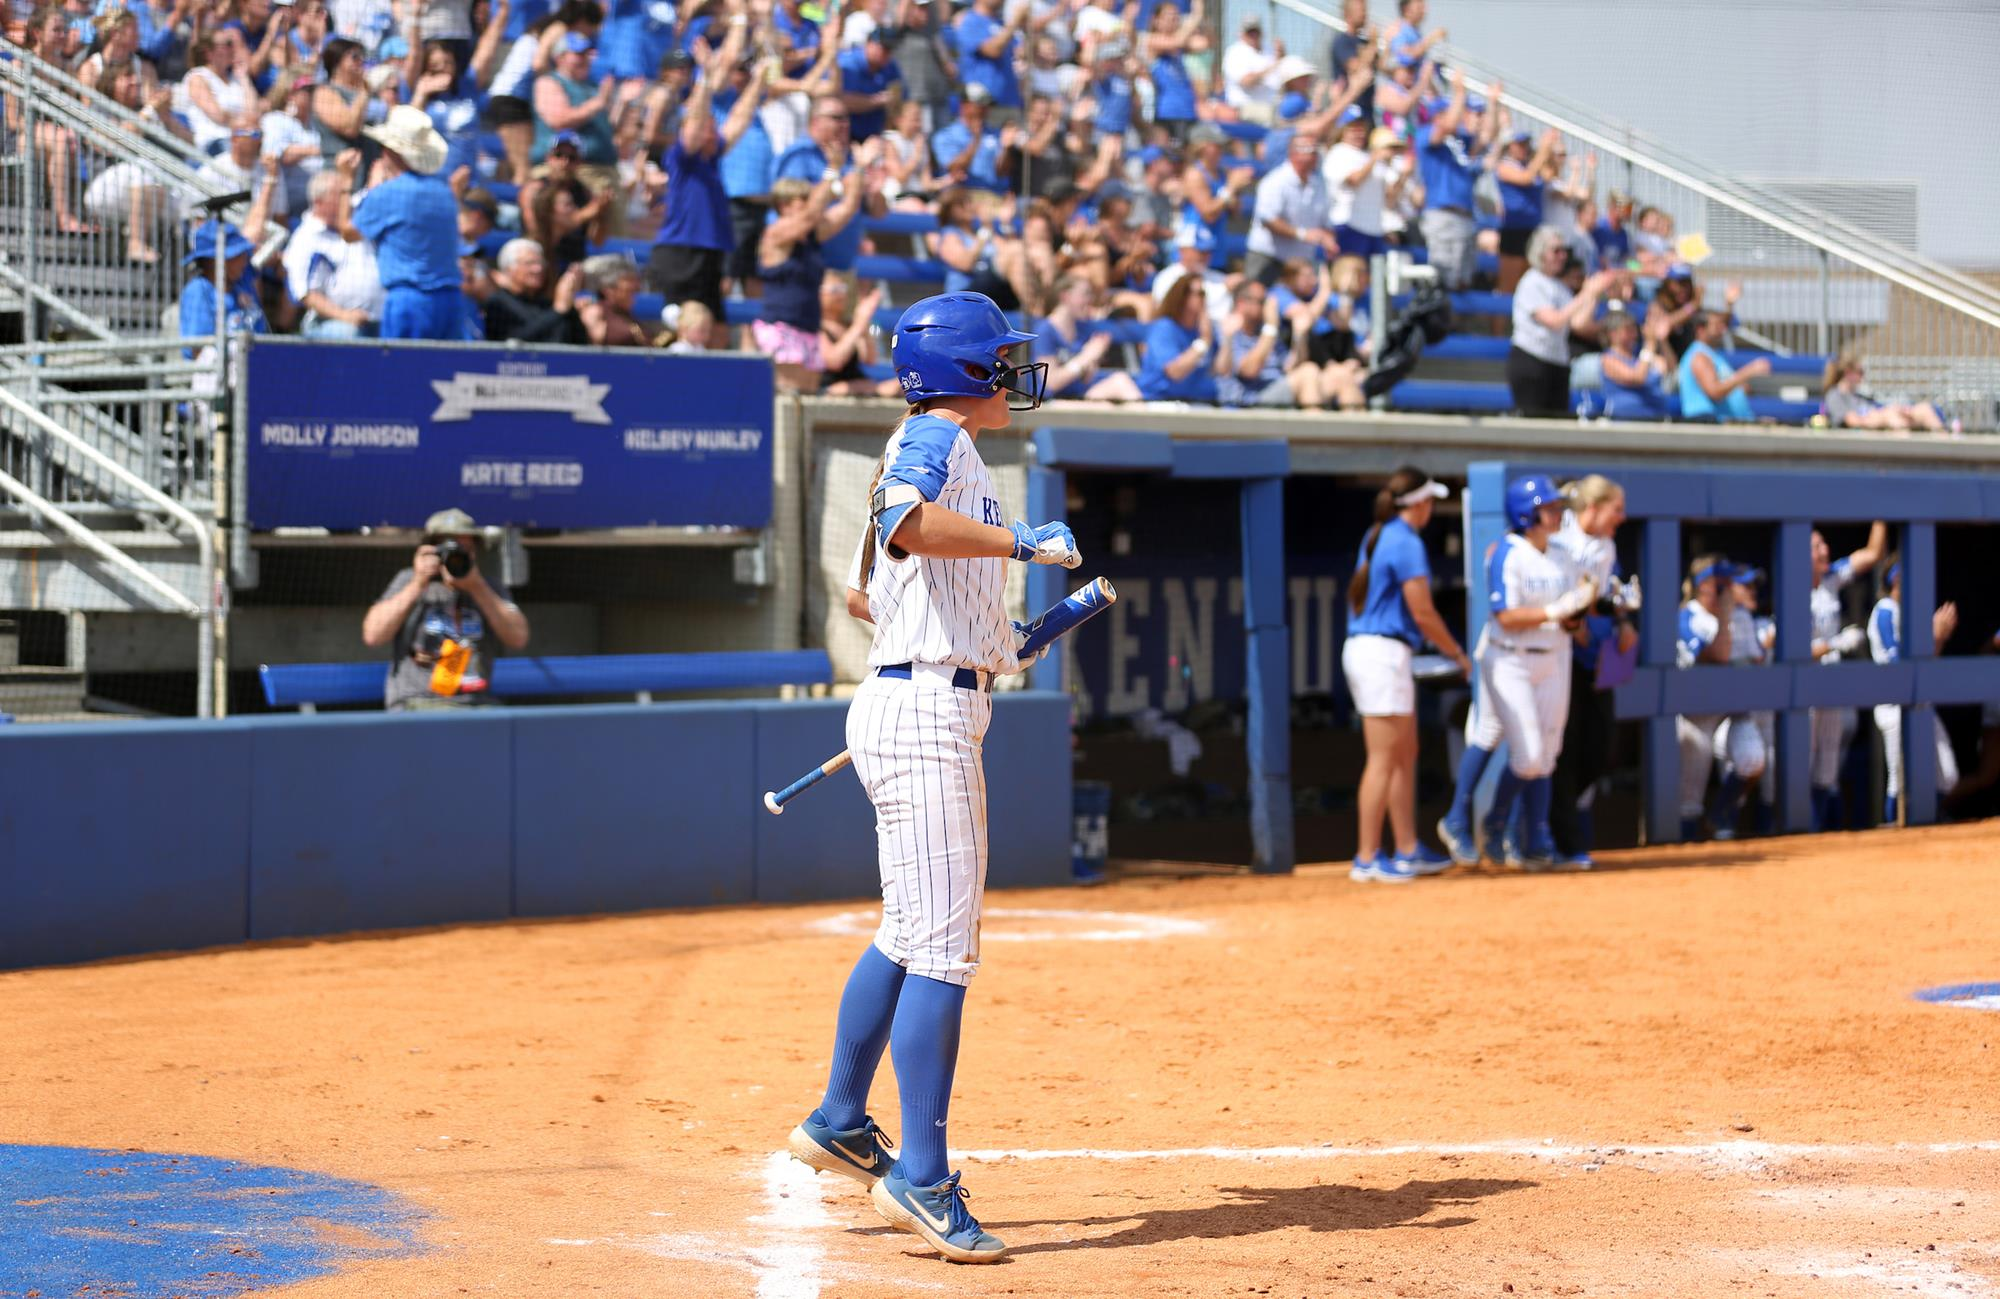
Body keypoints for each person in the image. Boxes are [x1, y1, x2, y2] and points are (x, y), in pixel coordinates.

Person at [786, 291, 1072, 1266]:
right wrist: (1022, 543)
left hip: (920, 696)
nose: (1013, 372)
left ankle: (838, 1118)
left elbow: (873, 582)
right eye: (999, 358)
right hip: (923, 712)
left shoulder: (942, 442)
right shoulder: (935, 440)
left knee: (909, 937)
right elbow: (904, 523)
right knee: (942, 950)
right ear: (963, 373)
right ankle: (921, 1174)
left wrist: (996, 630)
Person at [1436, 474, 1598, 871]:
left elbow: (1574, 616)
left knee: (1546, 753)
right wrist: (1557, 611)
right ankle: (1489, 822)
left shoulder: (1562, 553)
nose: (1558, 513)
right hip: (1509, 657)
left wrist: (1578, 615)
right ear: (1528, 515)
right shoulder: (1507, 552)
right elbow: (1505, 615)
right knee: (1524, 755)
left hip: (1553, 655)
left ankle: (1536, 838)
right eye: (1549, 507)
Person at [1343, 467, 1469, 881]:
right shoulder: (1405, 541)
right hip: (1381, 654)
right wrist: (1457, 654)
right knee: (1382, 758)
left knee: (1405, 752)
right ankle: (1366, 856)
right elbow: (1422, 611)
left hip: (1379, 652)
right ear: (1417, 505)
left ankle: (1408, 847)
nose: (1432, 507)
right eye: (1429, 500)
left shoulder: (1379, 534)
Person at [1545, 475, 1636, 866]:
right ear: (1593, 508)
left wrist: (1622, 622)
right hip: (1556, 651)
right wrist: (1574, 624)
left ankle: (1558, 825)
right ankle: (1563, 841)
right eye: (1616, 509)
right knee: (1565, 750)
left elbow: (1598, 597)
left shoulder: (1605, 546)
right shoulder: (1559, 536)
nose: (1623, 517)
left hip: (1592, 656)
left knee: (1600, 748)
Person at [648, 21, 765, 320]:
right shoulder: (682, 157)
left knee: (713, 328)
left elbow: (739, 117)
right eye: (706, 129)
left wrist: (758, 80)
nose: (712, 132)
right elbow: (695, 123)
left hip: (710, 251)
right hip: (681, 250)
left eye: (713, 129)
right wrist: (705, 77)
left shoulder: (711, 160)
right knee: (678, 325)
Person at [360, 508, 531, 712]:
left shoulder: (487, 587)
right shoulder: (409, 580)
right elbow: (373, 635)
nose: (456, 557)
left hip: (474, 704)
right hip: (417, 702)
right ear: (431, 549)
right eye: (449, 549)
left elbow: (518, 638)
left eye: (465, 549)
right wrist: (418, 583)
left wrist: (476, 587)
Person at [333, 106, 468, 339]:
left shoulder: (388, 193)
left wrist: (346, 180)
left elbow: (348, 232)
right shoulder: (444, 192)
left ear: (389, 151)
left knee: (402, 373)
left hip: (410, 302)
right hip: (451, 301)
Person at [1667, 555, 1765, 841]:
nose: (1728, 587)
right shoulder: (1687, 616)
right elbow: (1719, 654)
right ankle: (1686, 851)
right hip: (1695, 713)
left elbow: (1756, 660)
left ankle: (1720, 816)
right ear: (1704, 585)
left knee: (1753, 759)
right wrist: (1725, 614)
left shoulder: (1741, 615)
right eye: (1721, 582)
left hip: (1733, 709)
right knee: (1689, 798)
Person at [1807, 520, 1888, 829]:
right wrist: (1835, 643)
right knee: (1803, 762)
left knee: (1828, 765)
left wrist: (1881, 513)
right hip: (1803, 684)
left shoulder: (1829, 578)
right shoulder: (1793, 587)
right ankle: (1797, 831)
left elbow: (1872, 553)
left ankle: (1823, 833)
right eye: (1816, 547)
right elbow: (1794, 649)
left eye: (1824, 544)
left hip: (1830, 681)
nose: (1825, 550)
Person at [1869, 560, 1960, 824]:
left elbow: (1926, 665)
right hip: (1894, 705)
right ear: (1896, 580)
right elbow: (1900, 667)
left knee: (1948, 776)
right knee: (1899, 780)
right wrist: (1935, 635)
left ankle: (1927, 820)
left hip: (1921, 704)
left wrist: (1938, 638)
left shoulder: (1912, 614)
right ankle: (1900, 838)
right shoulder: (1886, 611)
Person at [755, 174, 862, 392]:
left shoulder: (812, 235)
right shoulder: (775, 234)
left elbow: (848, 208)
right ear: (784, 205)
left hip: (809, 329)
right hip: (783, 328)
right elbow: (811, 214)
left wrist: (860, 168)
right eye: (804, 200)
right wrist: (833, 170)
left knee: (808, 399)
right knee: (788, 399)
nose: (813, 205)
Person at [1508, 225, 1615, 418]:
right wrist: (1586, 293)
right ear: (1540, 253)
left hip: (1557, 363)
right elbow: (1555, 321)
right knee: (1533, 427)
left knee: (1558, 428)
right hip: (1532, 361)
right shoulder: (1532, 281)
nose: (1562, 256)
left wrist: (1594, 294)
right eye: (1556, 251)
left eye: (1564, 251)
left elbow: (1578, 324)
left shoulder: (1559, 286)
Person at [1414, 71, 1498, 292]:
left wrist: (1493, 103)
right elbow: (1448, 126)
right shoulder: (1425, 135)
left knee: (1462, 282)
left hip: (1465, 218)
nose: (1456, 115)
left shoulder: (1460, 141)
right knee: (1443, 281)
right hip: (1443, 216)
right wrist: (1459, 92)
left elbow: (1487, 137)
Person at [285, 169, 384, 336]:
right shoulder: (305, 238)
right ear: (319, 202)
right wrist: (344, 316)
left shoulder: (353, 222)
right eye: (340, 195)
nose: (347, 200)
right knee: (350, 333)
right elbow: (305, 294)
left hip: (377, 319)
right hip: (329, 321)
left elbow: (365, 197)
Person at [1244, 132, 1334, 287]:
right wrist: (1303, 234)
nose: (1314, 154)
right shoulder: (1275, 181)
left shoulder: (1320, 184)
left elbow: (1325, 222)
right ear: (1293, 153)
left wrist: (1328, 238)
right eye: (1308, 149)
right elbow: (1268, 220)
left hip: (1300, 264)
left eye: (1315, 150)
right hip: (1268, 258)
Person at [1034, 274, 1143, 403]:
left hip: (1076, 398)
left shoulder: (1080, 328)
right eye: (1085, 294)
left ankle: (1150, 421)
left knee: (1120, 381)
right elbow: (1051, 383)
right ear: (1065, 296)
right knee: (1118, 385)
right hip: (1051, 403)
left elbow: (1084, 381)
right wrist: (1086, 357)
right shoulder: (1045, 331)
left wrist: (1094, 359)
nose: (1090, 300)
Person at [178, 220, 270, 355]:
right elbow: (199, 351)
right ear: (213, 260)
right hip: (221, 372)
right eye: (237, 255)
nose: (244, 260)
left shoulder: (241, 284)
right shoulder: (199, 290)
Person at [470, 236, 587, 341]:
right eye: (529, 263)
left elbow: (580, 342)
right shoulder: (497, 303)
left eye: (541, 263)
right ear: (509, 268)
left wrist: (569, 305)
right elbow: (509, 342)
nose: (538, 269)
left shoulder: (546, 304)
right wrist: (557, 311)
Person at [1323, 104, 1397, 259]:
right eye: (1353, 128)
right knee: (1349, 275)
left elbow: (1390, 197)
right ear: (1342, 130)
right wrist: (1374, 159)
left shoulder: (1368, 155)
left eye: (1362, 128)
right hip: (1349, 225)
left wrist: (1401, 173)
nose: (1359, 133)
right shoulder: (1338, 152)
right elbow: (1353, 180)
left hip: (1374, 227)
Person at [1136, 275, 1218, 403]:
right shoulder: (1164, 328)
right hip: (1160, 400)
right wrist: (1203, 342)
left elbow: (1222, 370)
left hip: (1197, 402)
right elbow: (1174, 372)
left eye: (1204, 294)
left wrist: (1227, 337)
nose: (1203, 299)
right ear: (1182, 296)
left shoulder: (1205, 329)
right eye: (1199, 293)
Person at [1822, 352, 1950, 433]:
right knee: (1894, 418)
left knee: (1924, 408)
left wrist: (1895, 410)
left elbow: (1878, 409)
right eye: (1860, 372)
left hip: (1882, 421)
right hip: (1867, 430)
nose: (1863, 376)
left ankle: (1946, 443)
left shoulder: (1860, 396)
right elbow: (1853, 421)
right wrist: (1884, 415)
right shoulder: (1835, 396)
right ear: (1848, 373)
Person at [1677, 309, 1765, 423]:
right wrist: (1747, 372)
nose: (1722, 329)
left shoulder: (1712, 354)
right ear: (1701, 330)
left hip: (1729, 423)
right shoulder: (1699, 357)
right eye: (1717, 325)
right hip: (1708, 423)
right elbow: (1715, 392)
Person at [1491, 128, 1552, 293]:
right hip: (1514, 231)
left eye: (1526, 144)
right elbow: (1525, 178)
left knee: (1529, 288)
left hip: (1533, 231)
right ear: (1510, 146)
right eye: (1519, 144)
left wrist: (1544, 153)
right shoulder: (1504, 166)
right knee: (1507, 287)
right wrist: (1542, 152)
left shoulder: (1530, 164)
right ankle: (1499, 319)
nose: (1524, 147)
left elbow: (1548, 176)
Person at [819, 279, 900, 397]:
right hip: (830, 387)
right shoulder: (816, 328)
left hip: (857, 385)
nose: (840, 294)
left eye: (843, 289)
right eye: (834, 290)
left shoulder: (847, 325)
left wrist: (864, 324)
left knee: (899, 386)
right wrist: (858, 325)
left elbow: (869, 358)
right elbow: (833, 361)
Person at [1597, 309, 1676, 421]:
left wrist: (1662, 340)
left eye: (1634, 329)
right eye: (1628, 330)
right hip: (1627, 422)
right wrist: (1649, 344)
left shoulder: (1642, 358)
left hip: (1657, 418)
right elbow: (1637, 378)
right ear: (1613, 334)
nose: (1634, 334)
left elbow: (1671, 368)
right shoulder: (1608, 359)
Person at [577, 252, 650, 345]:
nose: (637, 287)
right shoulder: (595, 312)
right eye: (629, 279)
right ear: (608, 288)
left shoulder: (626, 315)